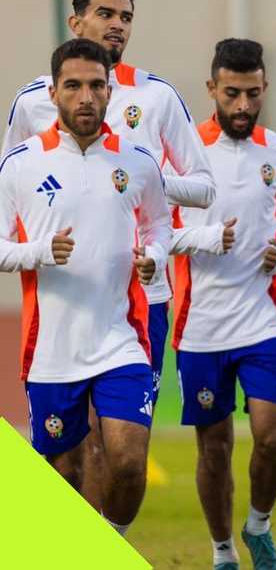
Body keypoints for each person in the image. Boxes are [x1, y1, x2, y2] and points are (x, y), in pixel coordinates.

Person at [2, 0, 214, 510]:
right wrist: (41, 248)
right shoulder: (31, 106)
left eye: (126, 16)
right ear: (77, 22)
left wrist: (135, 186)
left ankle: (105, 540)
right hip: (59, 311)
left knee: (121, 446)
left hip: (143, 301)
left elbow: (203, 187)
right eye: (105, 13)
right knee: (75, 452)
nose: (117, 24)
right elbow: (15, 191)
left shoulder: (157, 97)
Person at [0, 38, 170, 537]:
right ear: (53, 93)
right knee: (65, 476)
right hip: (51, 349)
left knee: (126, 462)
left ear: (110, 90)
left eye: (97, 85)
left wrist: (154, 257)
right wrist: (39, 252)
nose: (86, 97)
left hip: (122, 341)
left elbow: (159, 225)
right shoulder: (20, 164)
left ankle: (111, 542)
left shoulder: (138, 161)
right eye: (73, 86)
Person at [170, 39, 276, 570]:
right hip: (201, 324)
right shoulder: (181, 155)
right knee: (215, 446)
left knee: (272, 432)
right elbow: (153, 231)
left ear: (265, 88)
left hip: (264, 317)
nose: (243, 106)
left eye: (253, 93)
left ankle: (259, 526)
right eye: (232, 94)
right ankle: (223, 550)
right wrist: (205, 238)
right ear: (211, 90)